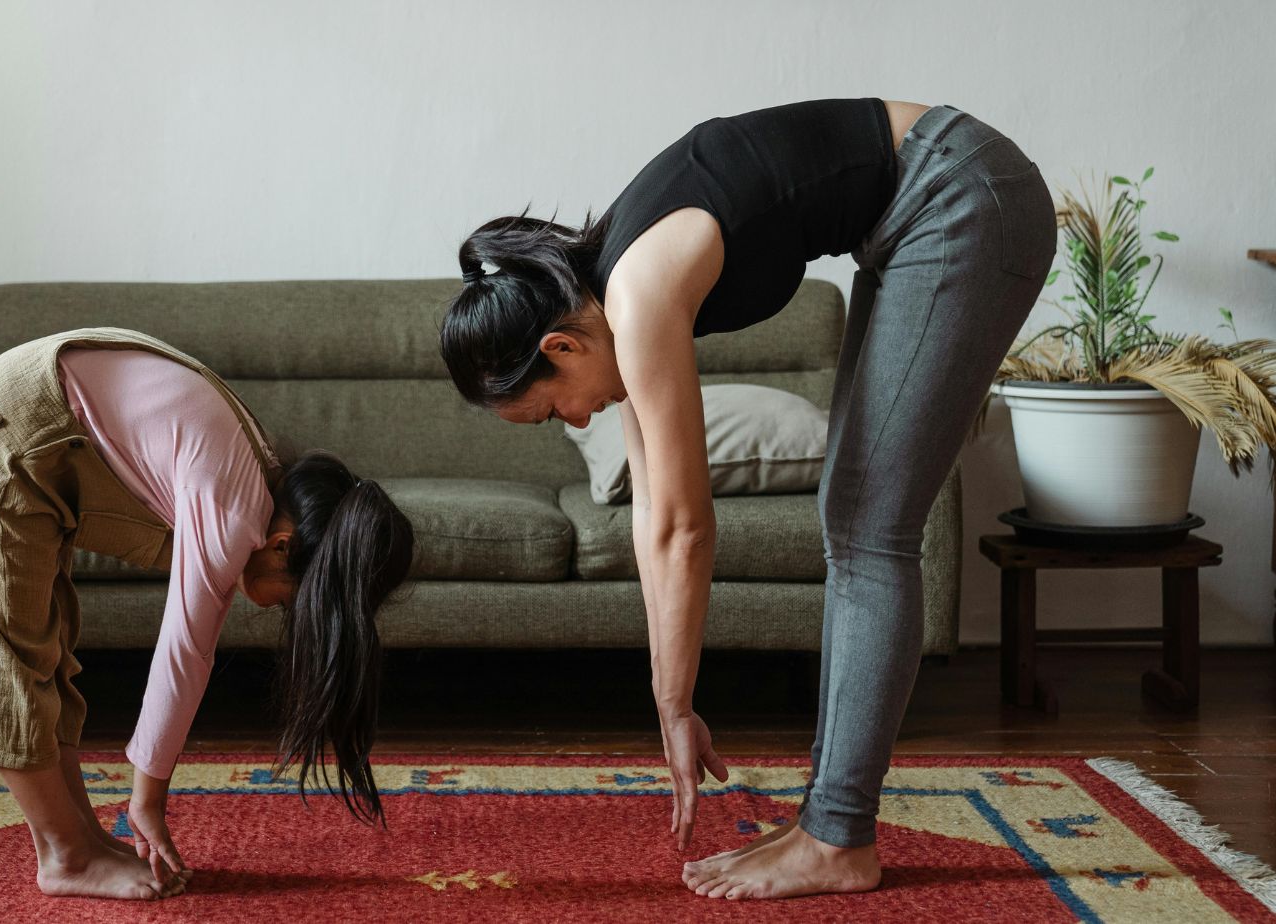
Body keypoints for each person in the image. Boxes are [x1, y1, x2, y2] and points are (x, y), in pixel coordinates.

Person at [439, 99, 1056, 901]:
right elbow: (652, 517)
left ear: (561, 347)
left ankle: (839, 839)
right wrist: (672, 700)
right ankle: (830, 828)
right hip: (923, 209)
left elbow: (689, 529)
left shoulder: (638, 294)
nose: (578, 419)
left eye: (556, 407)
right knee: (855, 518)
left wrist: (675, 705)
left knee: (870, 529)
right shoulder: (614, 290)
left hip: (962, 192)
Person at [0, 326, 415, 900]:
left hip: (33, 430)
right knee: (14, 662)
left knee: (48, 656)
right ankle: (65, 857)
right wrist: (147, 802)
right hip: (7, 429)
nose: (279, 611)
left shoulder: (255, 481)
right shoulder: (233, 511)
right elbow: (185, 654)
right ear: (282, 545)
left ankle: (81, 838)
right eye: (293, 599)